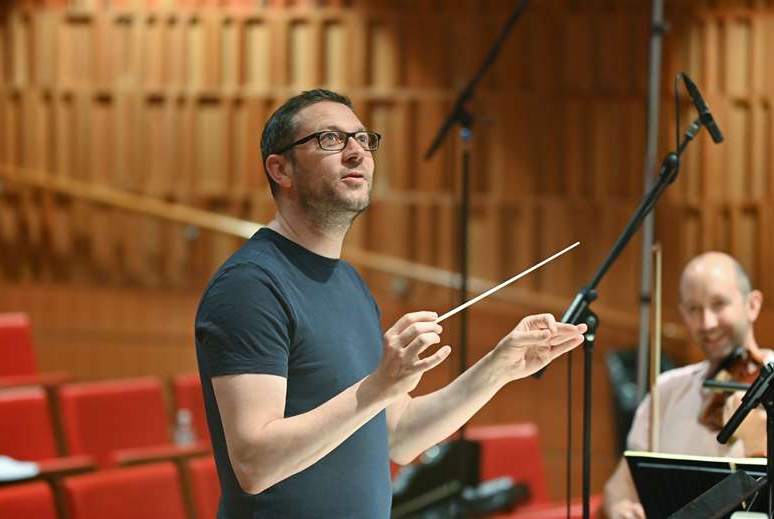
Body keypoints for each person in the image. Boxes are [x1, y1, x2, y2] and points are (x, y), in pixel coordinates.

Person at [194, 89, 587, 519]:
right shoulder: (252, 285)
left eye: (364, 140)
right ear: (280, 168)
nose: (356, 152)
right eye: (330, 139)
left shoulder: (349, 283)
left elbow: (399, 435)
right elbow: (255, 463)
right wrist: (379, 386)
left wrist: (498, 368)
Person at [603, 251, 771, 519]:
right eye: (694, 309)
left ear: (752, 304)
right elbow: (619, 485)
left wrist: (757, 448)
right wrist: (620, 507)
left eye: (719, 304)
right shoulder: (667, 390)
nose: (707, 323)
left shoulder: (769, 381)